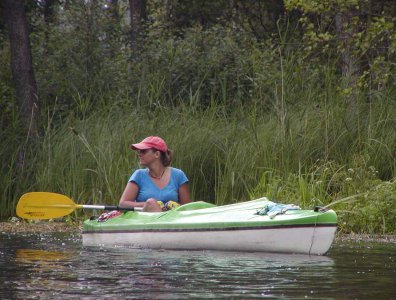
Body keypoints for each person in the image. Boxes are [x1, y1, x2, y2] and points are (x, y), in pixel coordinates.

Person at [119, 136, 191, 212]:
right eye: (139, 152)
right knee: (151, 202)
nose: (139, 154)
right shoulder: (138, 175)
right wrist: (149, 205)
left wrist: (176, 206)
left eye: (144, 151)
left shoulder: (178, 175)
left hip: (171, 220)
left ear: (157, 154)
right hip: (145, 221)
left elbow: (187, 208)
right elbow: (123, 204)